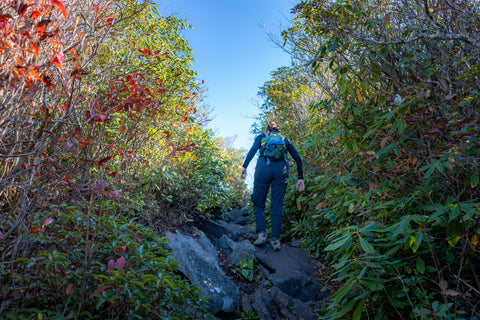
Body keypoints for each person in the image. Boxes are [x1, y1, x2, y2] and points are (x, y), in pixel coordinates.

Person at [241, 121, 305, 251]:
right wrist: (300, 178)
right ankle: (275, 240)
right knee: (277, 204)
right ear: (278, 130)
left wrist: (244, 166)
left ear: (267, 129)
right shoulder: (284, 139)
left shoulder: (261, 137)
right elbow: (297, 157)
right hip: (281, 170)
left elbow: (253, 150)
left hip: (263, 168)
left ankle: (262, 235)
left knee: (259, 203)